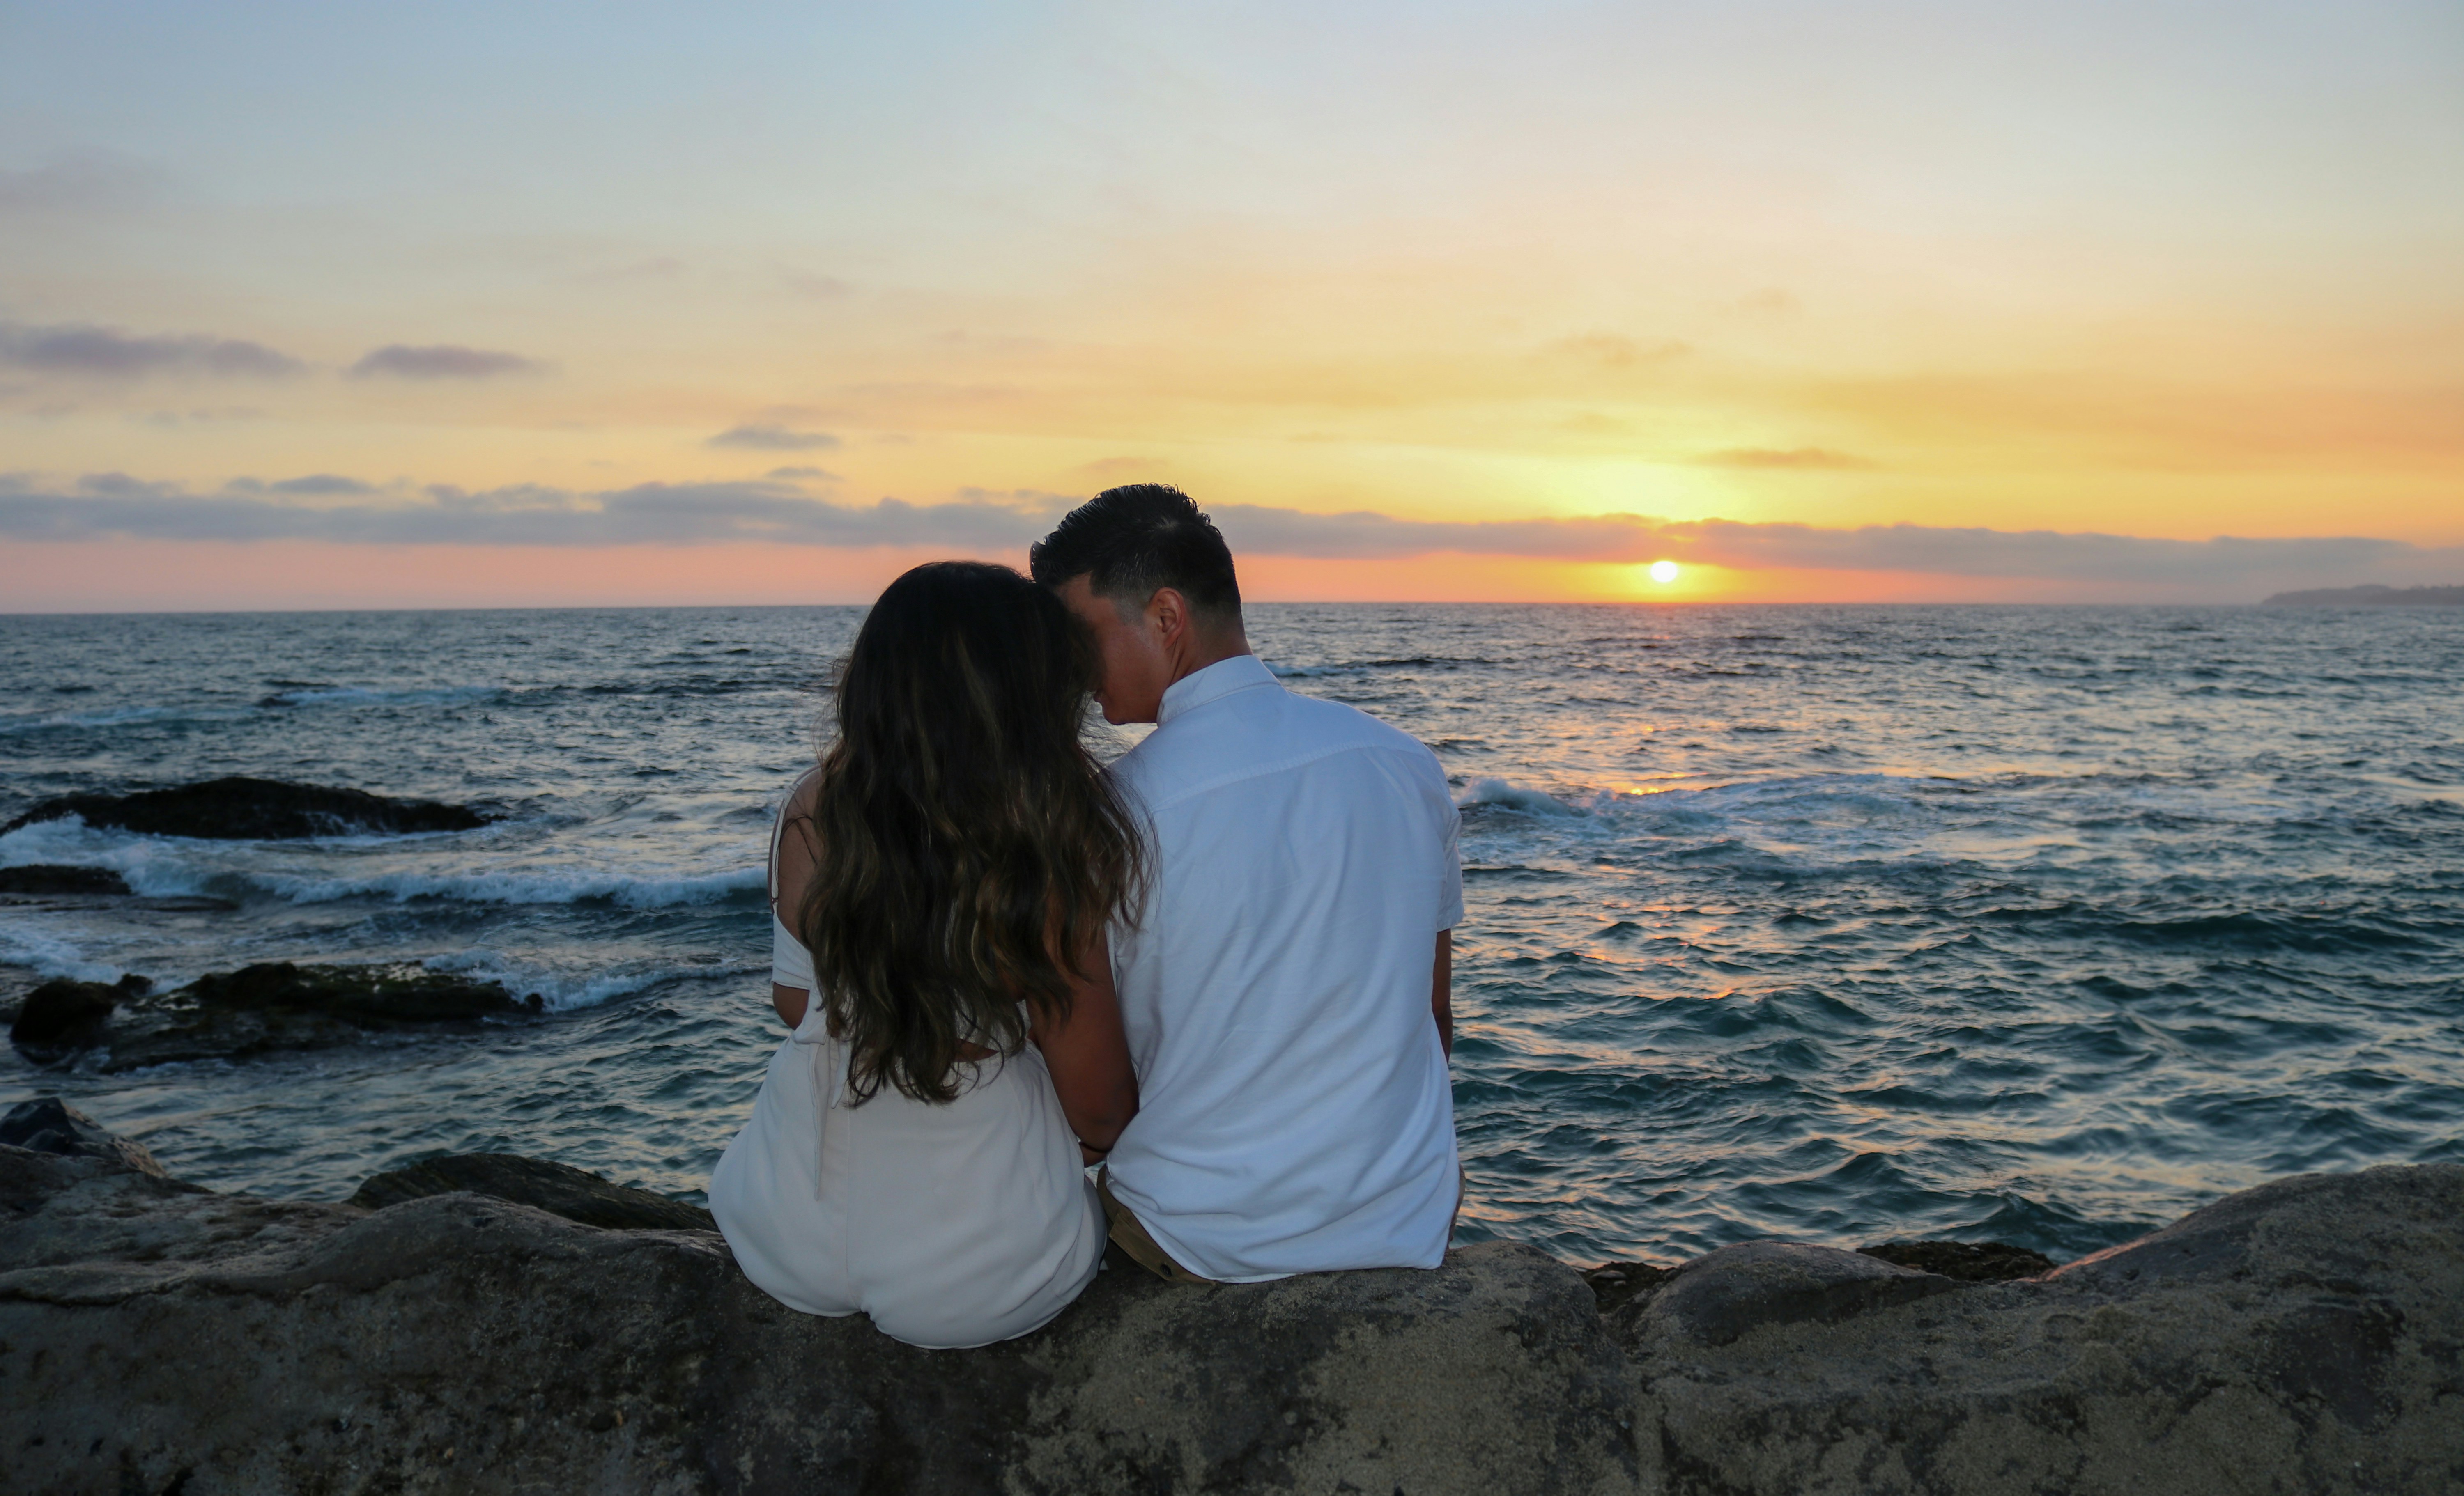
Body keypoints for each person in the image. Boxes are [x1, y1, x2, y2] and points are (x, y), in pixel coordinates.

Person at [1029, 484, 1463, 1284]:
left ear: (1166, 619)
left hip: (1198, 1239)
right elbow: (1430, 1020)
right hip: (1403, 1222)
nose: (1067, 668)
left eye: (1077, 636)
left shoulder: (1106, 816)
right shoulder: (1406, 764)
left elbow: (1100, 1106)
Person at [708, 561, 1143, 1348]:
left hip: (778, 1226)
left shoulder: (813, 802)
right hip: (974, 1268)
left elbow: (796, 1003)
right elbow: (1101, 1107)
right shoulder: (1050, 838)